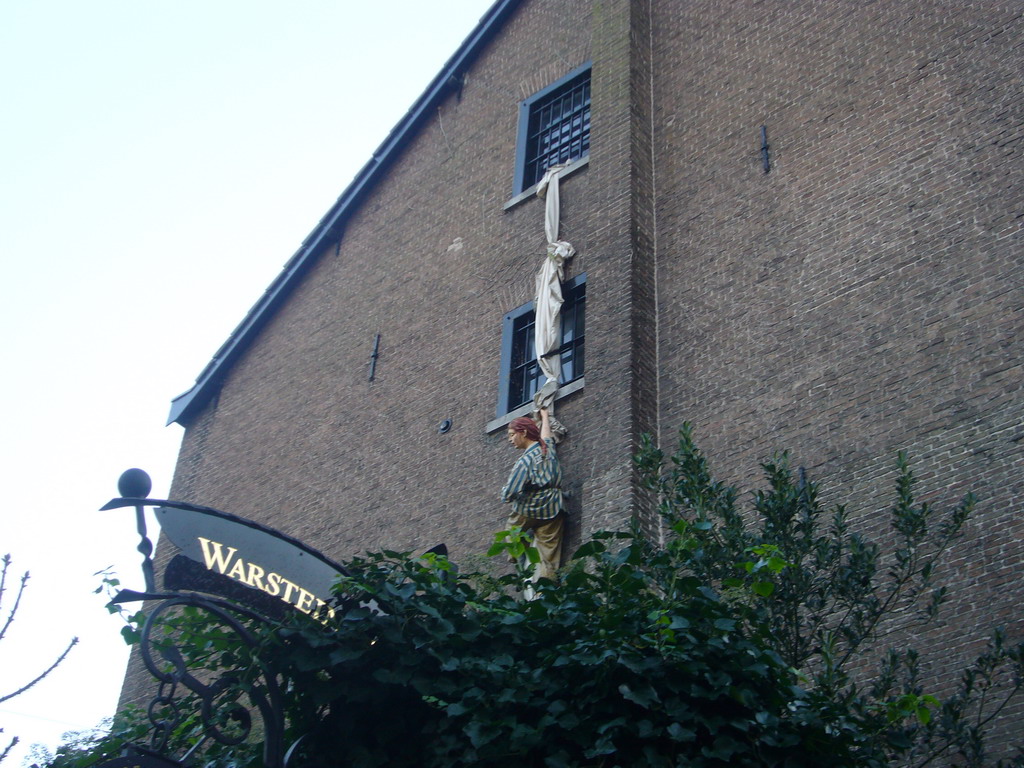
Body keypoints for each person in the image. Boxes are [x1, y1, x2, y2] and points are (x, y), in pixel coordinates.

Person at [501, 407, 564, 582]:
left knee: (511, 533)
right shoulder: (547, 449)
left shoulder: (526, 461)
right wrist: (544, 416)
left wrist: (504, 494)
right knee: (549, 551)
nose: (510, 439)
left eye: (512, 434)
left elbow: (511, 491)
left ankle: (522, 564)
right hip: (554, 505)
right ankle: (547, 584)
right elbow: (546, 436)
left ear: (524, 432)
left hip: (531, 506)